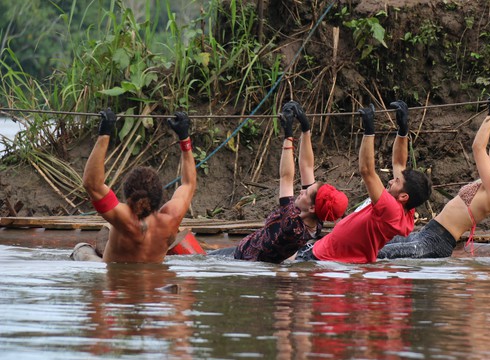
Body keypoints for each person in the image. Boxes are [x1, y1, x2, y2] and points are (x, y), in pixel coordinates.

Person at [378, 93, 490, 259]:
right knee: (371, 242)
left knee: (376, 254)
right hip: (425, 234)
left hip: (436, 242)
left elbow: (478, 147)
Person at [208, 101, 348, 263]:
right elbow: (307, 167)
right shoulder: (316, 221)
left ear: (311, 207)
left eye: (306, 193)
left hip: (243, 260)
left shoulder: (291, 223)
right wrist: (305, 129)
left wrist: (288, 136)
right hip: (248, 250)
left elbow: (286, 178)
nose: (302, 191)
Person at [296, 100, 432, 263]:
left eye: (396, 181)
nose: (390, 181)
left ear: (404, 196)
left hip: (322, 259)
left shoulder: (391, 210)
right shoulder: (406, 209)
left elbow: (367, 171)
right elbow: (399, 164)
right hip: (321, 251)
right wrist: (403, 131)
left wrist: (369, 131)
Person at [71, 109, 197, 263]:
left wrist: (105, 133)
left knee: (81, 248)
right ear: (159, 196)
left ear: (128, 194)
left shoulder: (123, 218)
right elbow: (189, 183)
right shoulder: (171, 218)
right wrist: (184, 138)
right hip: (154, 285)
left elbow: (92, 184)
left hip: (118, 283)